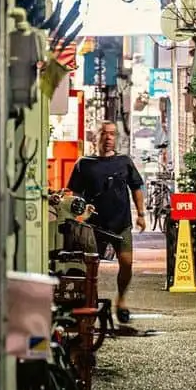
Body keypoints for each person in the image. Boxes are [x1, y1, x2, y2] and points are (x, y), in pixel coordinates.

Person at [63, 121, 146, 323]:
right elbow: (74, 193)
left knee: (126, 263)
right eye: (105, 134)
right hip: (94, 225)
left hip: (121, 222)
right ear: (96, 136)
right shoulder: (84, 163)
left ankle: (122, 300)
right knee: (91, 267)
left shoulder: (124, 162)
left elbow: (136, 187)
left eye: (112, 134)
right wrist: (81, 210)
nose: (109, 138)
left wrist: (141, 214)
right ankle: (91, 304)